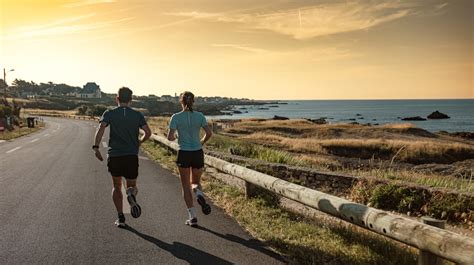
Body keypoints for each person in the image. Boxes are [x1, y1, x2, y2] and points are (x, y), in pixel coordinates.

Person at [93, 87, 152, 227]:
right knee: (132, 186)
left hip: (115, 155)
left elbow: (101, 128)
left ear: (117, 99)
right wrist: (139, 142)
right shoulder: (137, 115)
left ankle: (121, 217)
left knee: (116, 186)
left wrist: (96, 147)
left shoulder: (109, 113)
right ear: (131, 100)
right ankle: (130, 195)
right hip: (131, 155)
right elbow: (148, 133)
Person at [167, 91, 213, 227]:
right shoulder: (200, 116)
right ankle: (198, 193)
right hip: (197, 152)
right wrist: (201, 142)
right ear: (193, 101)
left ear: (181, 102)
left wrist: (176, 137)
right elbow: (209, 133)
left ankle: (192, 217)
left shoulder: (176, 117)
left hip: (184, 153)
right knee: (196, 182)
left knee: (185, 185)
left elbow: (170, 137)